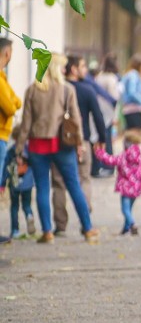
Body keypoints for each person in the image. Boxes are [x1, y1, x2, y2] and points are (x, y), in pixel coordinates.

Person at [16, 53, 97, 244]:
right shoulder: (67, 90)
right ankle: (87, 228)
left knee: (43, 188)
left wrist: (20, 149)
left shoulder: (32, 90)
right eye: (61, 66)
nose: (63, 69)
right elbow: (76, 120)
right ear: (55, 68)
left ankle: (47, 232)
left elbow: (25, 123)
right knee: (73, 185)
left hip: (37, 145)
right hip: (62, 144)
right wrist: (79, 143)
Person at [52, 55, 106, 236]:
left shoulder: (55, 89)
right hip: (80, 140)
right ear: (74, 69)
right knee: (84, 179)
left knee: (59, 183)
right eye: (83, 66)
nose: (85, 70)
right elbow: (98, 116)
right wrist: (102, 139)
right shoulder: (87, 90)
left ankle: (60, 225)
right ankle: (86, 219)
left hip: (57, 141)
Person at [94, 130, 141, 235]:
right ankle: (126, 228)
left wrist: (99, 153)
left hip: (126, 188)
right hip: (136, 189)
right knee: (129, 210)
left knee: (125, 209)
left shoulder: (124, 157)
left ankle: (132, 224)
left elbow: (110, 160)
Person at [0, 38, 21, 244]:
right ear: (6, 54)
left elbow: (16, 100)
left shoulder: (3, 77)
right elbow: (11, 106)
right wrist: (13, 103)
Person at [1, 126, 35, 239]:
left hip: (14, 183)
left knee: (14, 206)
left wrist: (2, 183)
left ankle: (15, 230)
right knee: (26, 204)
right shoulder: (29, 150)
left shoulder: (11, 151)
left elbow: (5, 167)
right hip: (28, 183)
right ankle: (29, 215)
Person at [93, 54, 121, 177]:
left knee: (98, 138)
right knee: (107, 139)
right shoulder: (112, 78)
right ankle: (109, 166)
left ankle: (98, 164)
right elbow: (114, 98)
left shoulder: (98, 77)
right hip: (108, 112)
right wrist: (115, 116)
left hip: (98, 111)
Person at [121, 54, 141, 130]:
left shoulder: (128, 74)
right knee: (134, 135)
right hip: (134, 109)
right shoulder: (134, 75)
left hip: (128, 109)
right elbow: (132, 93)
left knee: (130, 135)